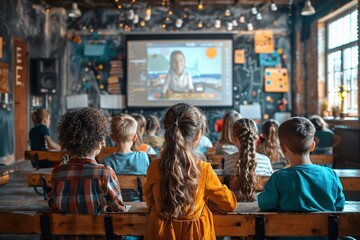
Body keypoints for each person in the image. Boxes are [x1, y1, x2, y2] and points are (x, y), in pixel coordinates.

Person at [143, 103, 236, 239]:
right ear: (198, 135)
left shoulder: (154, 167)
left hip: (161, 234)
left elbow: (150, 202)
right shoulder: (204, 169)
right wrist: (205, 203)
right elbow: (229, 204)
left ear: (166, 132)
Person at [48, 107, 127, 215]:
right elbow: (119, 209)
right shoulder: (105, 173)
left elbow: (53, 203)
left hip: (64, 231)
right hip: (99, 231)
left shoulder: (57, 173)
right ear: (99, 143)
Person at [258, 117, 345, 213]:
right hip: (327, 227)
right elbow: (339, 206)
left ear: (282, 148)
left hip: (288, 227)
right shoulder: (331, 175)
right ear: (312, 146)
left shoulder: (278, 178)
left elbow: (264, 204)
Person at [103, 114, 150, 202]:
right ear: (135, 137)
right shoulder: (143, 157)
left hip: (115, 207)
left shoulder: (106, 161)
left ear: (112, 137)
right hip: (139, 205)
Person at [224, 118, 273, 201]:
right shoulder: (266, 160)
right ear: (257, 138)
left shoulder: (228, 160)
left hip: (235, 208)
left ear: (233, 138)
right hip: (261, 208)